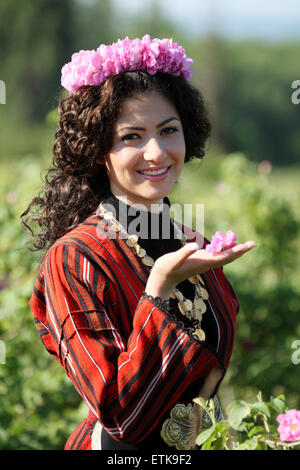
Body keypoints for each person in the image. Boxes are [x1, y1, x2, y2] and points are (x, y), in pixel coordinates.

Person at [21, 35, 257, 451]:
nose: (157, 152)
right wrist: (158, 291)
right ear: (99, 150)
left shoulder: (194, 243)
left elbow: (208, 386)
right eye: (132, 136)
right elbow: (119, 415)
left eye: (169, 130)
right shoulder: (74, 260)